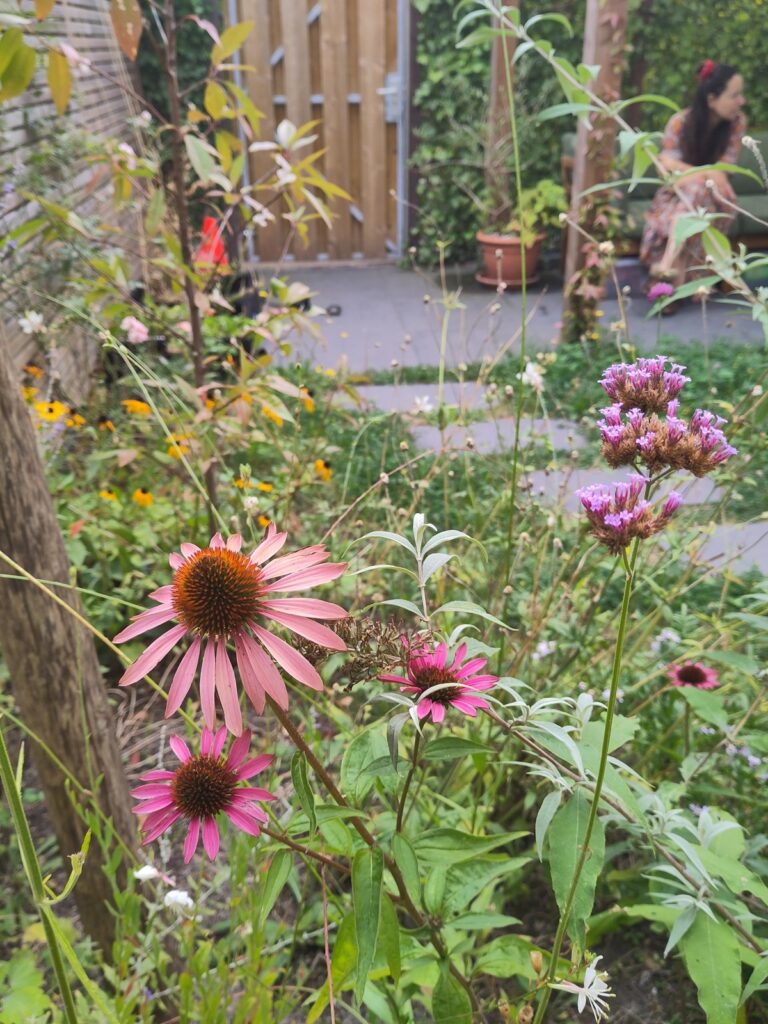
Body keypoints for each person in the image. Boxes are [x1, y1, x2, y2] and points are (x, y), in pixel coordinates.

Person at [641, 61, 746, 295]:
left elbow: (721, 175)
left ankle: (666, 274)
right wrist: (706, 173)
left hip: (716, 200)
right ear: (711, 100)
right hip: (675, 198)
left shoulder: (736, 124)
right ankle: (676, 281)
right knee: (695, 193)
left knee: (698, 192)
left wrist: (695, 173)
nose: (741, 102)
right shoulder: (680, 123)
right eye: (734, 95)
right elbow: (666, 171)